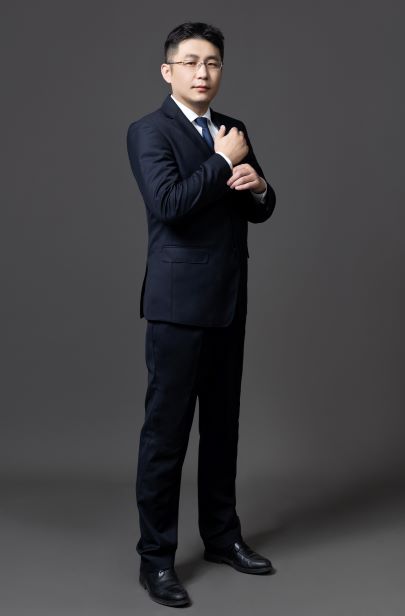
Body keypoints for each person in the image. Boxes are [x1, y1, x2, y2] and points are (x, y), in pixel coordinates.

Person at [126, 21, 277, 608]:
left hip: (228, 301)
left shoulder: (232, 128)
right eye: (190, 62)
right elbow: (169, 205)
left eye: (212, 62)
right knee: (166, 436)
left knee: (221, 430)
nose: (202, 72)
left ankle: (221, 537)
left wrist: (258, 185)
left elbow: (258, 208)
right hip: (177, 308)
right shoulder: (148, 131)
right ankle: (156, 559)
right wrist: (219, 161)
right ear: (168, 71)